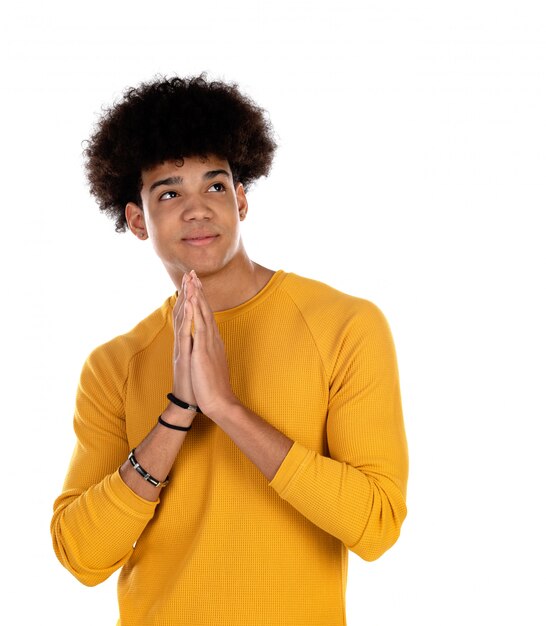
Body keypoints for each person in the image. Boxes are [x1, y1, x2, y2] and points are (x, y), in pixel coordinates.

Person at [51, 74, 409, 626]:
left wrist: (227, 409)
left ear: (241, 200)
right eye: (169, 192)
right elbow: (82, 557)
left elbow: (377, 525)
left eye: (214, 186)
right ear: (137, 219)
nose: (197, 209)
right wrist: (177, 414)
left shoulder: (345, 326)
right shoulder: (114, 365)